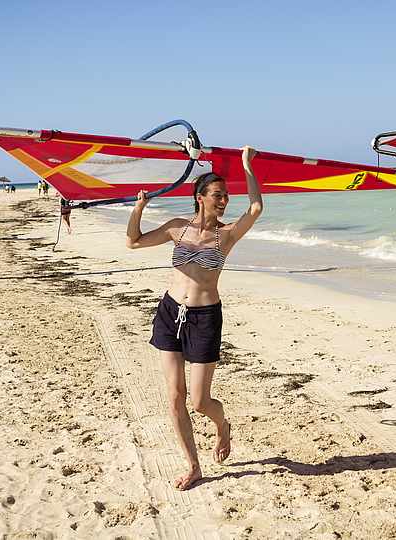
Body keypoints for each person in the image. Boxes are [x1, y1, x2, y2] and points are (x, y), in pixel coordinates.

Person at [126, 146, 263, 490]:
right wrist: (139, 207)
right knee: (175, 396)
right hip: (170, 313)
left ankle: (223, 425)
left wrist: (247, 165)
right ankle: (193, 465)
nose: (224, 201)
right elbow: (134, 242)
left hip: (205, 319)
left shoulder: (227, 235)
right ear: (200, 197)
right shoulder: (176, 228)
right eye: (217, 195)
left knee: (200, 401)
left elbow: (256, 207)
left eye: (226, 196)